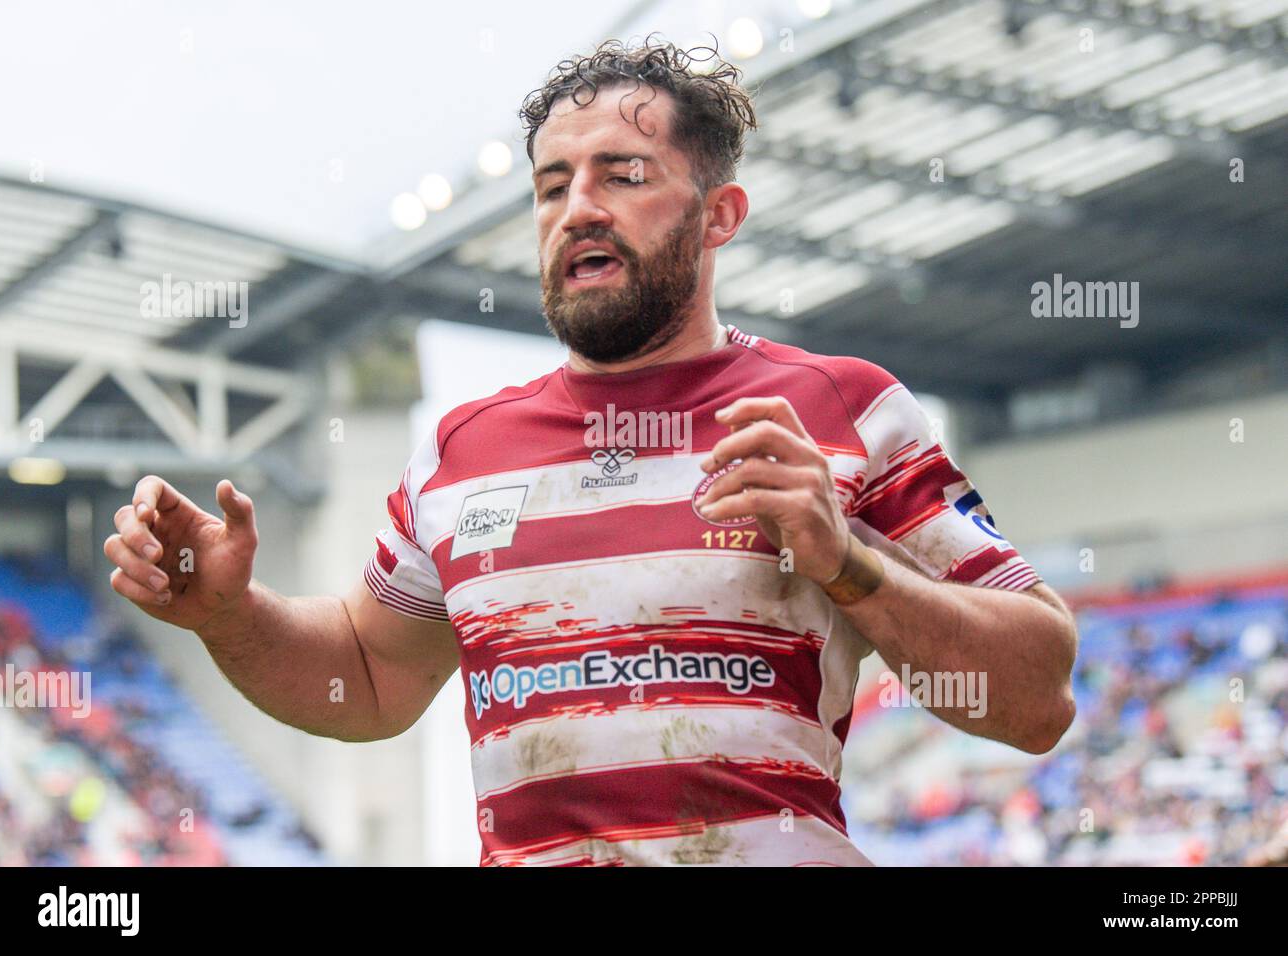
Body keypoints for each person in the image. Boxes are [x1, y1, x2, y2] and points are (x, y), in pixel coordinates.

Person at [105, 38, 1077, 866]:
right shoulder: (459, 451)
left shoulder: (842, 408)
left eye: (623, 174)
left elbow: (1036, 701)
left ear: (720, 216)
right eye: (551, 185)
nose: (576, 208)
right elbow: (362, 680)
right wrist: (226, 612)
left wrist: (846, 560)